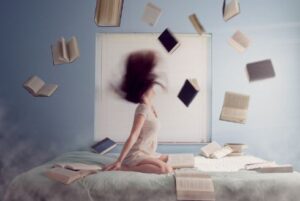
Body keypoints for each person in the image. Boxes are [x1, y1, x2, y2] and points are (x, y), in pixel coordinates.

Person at [103, 50, 173, 174]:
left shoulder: (150, 107)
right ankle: (125, 168)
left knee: (171, 159)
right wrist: (119, 160)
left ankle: (135, 163)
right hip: (136, 154)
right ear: (145, 89)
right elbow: (133, 135)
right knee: (164, 169)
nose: (154, 88)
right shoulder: (143, 109)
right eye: (151, 86)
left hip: (148, 153)